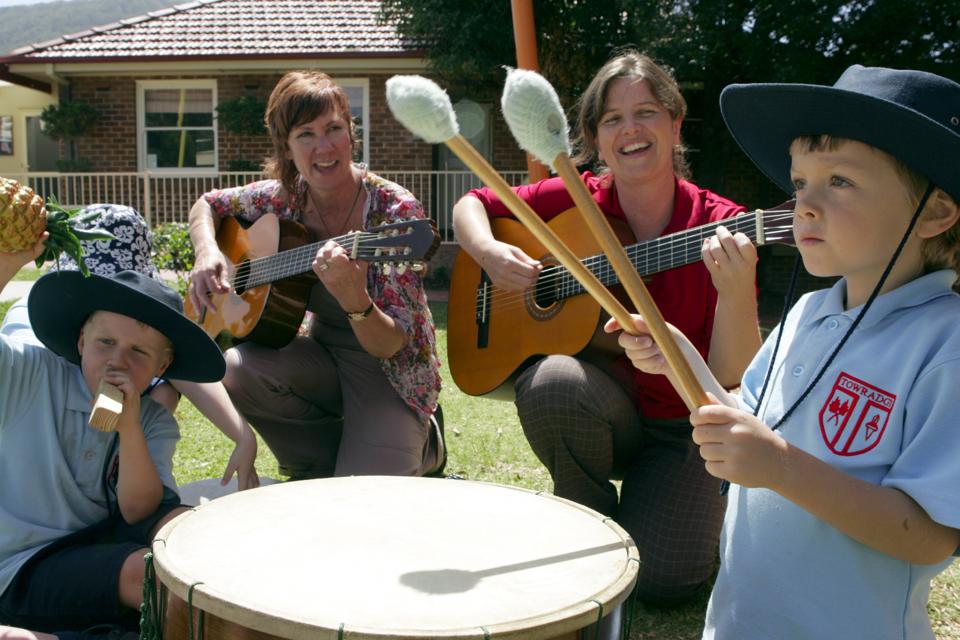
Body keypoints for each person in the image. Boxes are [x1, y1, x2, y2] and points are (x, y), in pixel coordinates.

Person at [614, 65, 960, 638]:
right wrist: (677, 354)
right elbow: (745, 421)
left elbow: (930, 535)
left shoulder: (943, 345)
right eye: (800, 183)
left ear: (934, 212)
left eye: (840, 181)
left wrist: (779, 467)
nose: (803, 205)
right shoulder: (808, 314)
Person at [451, 50, 761, 605]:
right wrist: (490, 250)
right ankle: (586, 516)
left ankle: (659, 512)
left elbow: (731, 379)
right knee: (551, 382)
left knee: (666, 582)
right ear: (594, 139)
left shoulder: (719, 224)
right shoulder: (575, 198)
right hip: (604, 409)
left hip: (686, 428)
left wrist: (736, 289)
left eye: (645, 112)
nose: (631, 129)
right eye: (612, 119)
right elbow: (473, 202)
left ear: (675, 124)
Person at [187, 70, 442, 480]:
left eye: (333, 128)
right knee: (237, 367)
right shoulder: (282, 198)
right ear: (286, 148)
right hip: (321, 356)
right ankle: (326, 458)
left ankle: (424, 441)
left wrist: (355, 298)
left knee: (369, 495)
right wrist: (207, 252)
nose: (324, 147)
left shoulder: (392, 213)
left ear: (351, 133)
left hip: (389, 370)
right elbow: (207, 203)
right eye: (305, 134)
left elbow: (393, 343)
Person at [0, 238, 225, 636]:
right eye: (105, 343)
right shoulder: (30, 374)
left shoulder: (153, 419)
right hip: (20, 563)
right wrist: (11, 261)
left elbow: (139, 510)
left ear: (163, 365)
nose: (118, 360)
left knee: (188, 530)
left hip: (94, 540)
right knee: (149, 577)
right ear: (82, 342)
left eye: (139, 352)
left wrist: (129, 428)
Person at [0, 204, 259, 491]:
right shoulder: (32, 339)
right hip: (36, 439)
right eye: (107, 340)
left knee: (164, 389)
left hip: (121, 429)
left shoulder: (145, 366)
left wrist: (242, 435)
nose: (120, 357)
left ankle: (122, 459)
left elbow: (181, 372)